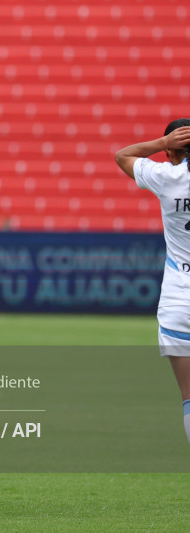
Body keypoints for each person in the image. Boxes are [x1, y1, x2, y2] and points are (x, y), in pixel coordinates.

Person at [115, 119, 190, 445]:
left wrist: (163, 143)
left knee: (189, 397)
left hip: (179, 299)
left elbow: (123, 155)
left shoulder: (167, 177)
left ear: (171, 152)